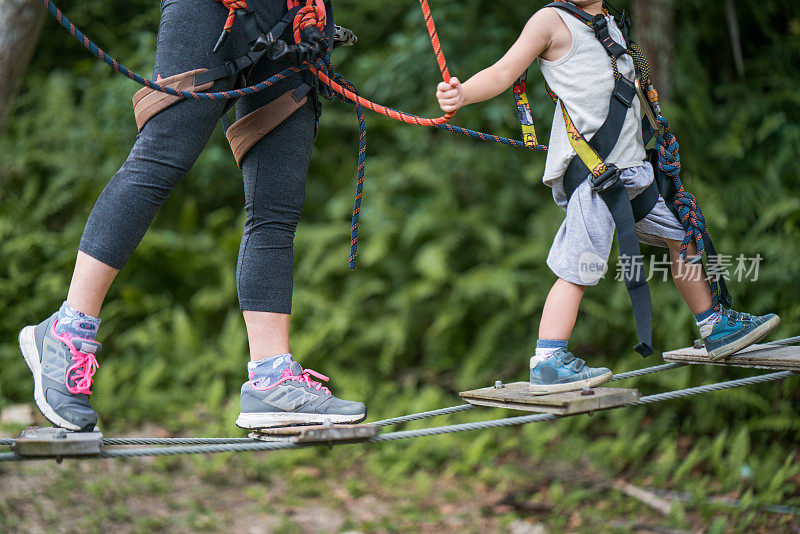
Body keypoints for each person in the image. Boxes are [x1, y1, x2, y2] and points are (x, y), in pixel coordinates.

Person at [18, 0, 366, 432]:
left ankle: (271, 379)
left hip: (297, 18)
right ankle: (66, 331)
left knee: (277, 211)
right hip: (214, 10)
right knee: (159, 161)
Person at [435, 0, 780, 393]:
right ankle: (547, 360)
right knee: (579, 266)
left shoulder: (614, 23)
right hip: (596, 175)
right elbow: (502, 70)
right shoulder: (550, 22)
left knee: (680, 234)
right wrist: (461, 95)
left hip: (634, 169)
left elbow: (636, 88)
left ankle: (713, 324)